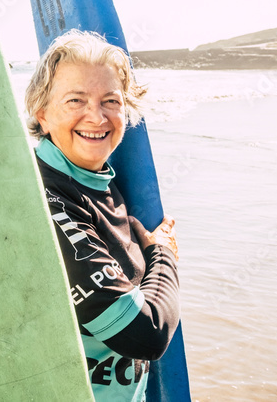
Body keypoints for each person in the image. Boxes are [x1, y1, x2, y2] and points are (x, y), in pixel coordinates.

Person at [24, 30, 180, 402]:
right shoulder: (49, 201)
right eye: (75, 100)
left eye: (111, 101)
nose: (96, 116)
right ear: (41, 114)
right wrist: (166, 255)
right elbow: (147, 334)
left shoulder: (97, 180)